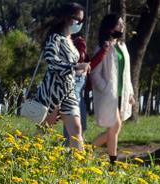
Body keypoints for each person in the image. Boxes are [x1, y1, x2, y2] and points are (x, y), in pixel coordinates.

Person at [36, 3, 90, 150]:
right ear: (67, 18)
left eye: (81, 21)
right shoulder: (55, 38)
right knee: (44, 130)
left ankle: (80, 167)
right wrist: (75, 66)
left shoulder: (71, 41)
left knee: (76, 130)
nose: (80, 23)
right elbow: (51, 61)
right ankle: (28, 157)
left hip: (68, 91)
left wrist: (79, 70)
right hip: (53, 91)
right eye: (77, 19)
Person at [89, 14, 135, 164]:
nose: (122, 27)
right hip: (109, 95)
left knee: (113, 130)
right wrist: (106, 88)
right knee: (116, 126)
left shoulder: (122, 46)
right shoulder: (102, 48)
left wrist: (131, 93)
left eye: (122, 25)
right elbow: (94, 72)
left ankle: (86, 150)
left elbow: (127, 72)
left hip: (122, 94)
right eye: (118, 25)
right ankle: (113, 163)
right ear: (109, 27)